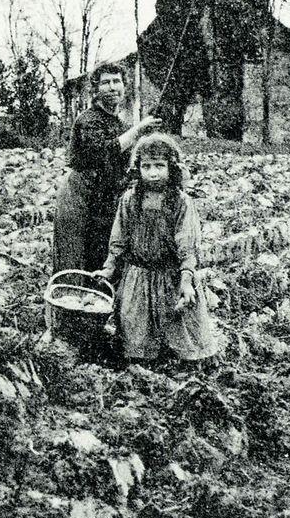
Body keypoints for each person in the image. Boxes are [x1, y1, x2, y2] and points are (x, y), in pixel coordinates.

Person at [94, 134, 226, 365]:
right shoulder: (129, 200)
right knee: (136, 336)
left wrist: (186, 280)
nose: (153, 173)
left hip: (171, 276)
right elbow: (118, 239)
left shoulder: (181, 202)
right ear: (138, 169)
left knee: (182, 336)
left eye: (159, 166)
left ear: (171, 168)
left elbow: (187, 245)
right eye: (146, 166)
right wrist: (109, 269)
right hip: (138, 277)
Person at [51, 62, 158, 278]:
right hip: (80, 198)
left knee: (106, 255)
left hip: (106, 197)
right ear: (96, 90)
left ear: (124, 86)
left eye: (116, 81)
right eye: (105, 83)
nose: (112, 87)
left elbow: (122, 165)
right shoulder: (88, 120)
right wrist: (139, 130)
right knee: (76, 258)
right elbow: (102, 153)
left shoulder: (119, 124)